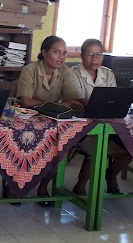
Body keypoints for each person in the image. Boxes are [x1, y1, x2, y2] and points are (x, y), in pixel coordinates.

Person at [16, 35, 85, 204]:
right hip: (27, 122)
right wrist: (57, 104)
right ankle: (16, 187)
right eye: (56, 52)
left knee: (60, 151)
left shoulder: (65, 72)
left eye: (64, 53)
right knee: (23, 150)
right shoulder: (30, 70)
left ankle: (43, 186)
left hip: (54, 123)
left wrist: (62, 104)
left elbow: (73, 98)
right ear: (44, 52)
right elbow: (26, 101)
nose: (61, 57)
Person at [71, 38, 132, 195]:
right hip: (83, 125)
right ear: (82, 56)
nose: (95, 59)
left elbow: (114, 98)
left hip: (108, 122)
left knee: (130, 148)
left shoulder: (107, 73)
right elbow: (79, 99)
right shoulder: (73, 74)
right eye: (90, 55)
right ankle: (81, 184)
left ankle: (111, 175)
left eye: (99, 54)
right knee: (99, 147)